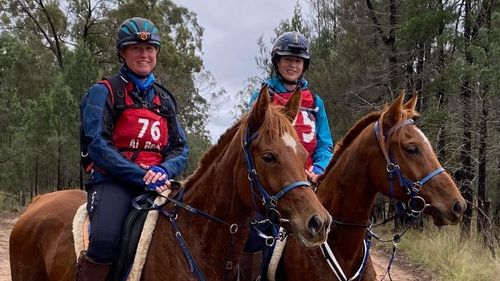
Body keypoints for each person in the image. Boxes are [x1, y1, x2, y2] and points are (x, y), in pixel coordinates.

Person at [76, 17, 189, 281]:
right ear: (123, 52)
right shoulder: (104, 92)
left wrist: (162, 170)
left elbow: (180, 148)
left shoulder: (164, 100)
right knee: (104, 239)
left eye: (150, 49)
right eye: (136, 49)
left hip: (160, 183)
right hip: (113, 182)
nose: (144, 54)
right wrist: (140, 175)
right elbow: (97, 144)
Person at [239, 31, 334, 280]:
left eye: (298, 60)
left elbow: (325, 145)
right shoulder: (263, 97)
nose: (292, 64)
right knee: (253, 234)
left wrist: (318, 169)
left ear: (304, 66)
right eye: (287, 59)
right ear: (277, 62)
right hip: (275, 183)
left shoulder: (315, 102)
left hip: (310, 180)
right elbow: (250, 141)